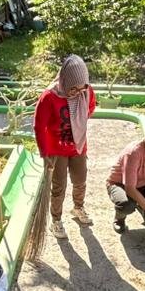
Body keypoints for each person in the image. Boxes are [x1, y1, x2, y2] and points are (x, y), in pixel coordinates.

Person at [33, 55, 96, 240]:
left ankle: (78, 208)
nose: (77, 92)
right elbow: (39, 126)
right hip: (56, 150)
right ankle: (56, 220)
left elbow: (90, 108)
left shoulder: (87, 91)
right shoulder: (49, 96)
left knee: (80, 180)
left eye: (81, 88)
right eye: (72, 88)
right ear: (64, 81)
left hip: (78, 147)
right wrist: (44, 153)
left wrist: (77, 125)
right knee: (59, 186)